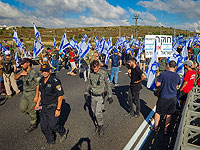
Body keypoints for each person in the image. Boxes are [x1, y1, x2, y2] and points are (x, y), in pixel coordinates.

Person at [35, 64, 68, 149]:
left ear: (50, 71)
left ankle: (63, 131)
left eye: (46, 71)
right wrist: (37, 104)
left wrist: (58, 109)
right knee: (44, 126)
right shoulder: (41, 80)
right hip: (44, 106)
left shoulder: (55, 81)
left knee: (53, 125)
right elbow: (40, 93)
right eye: (43, 71)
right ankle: (50, 140)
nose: (44, 72)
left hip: (53, 106)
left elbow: (60, 96)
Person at [150, 60, 180, 135]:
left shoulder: (163, 74)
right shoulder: (177, 76)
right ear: (175, 67)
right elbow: (177, 87)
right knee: (169, 114)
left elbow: (157, 84)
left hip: (163, 96)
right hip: (173, 97)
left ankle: (156, 128)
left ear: (168, 66)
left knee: (158, 112)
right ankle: (165, 130)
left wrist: (157, 77)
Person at [84, 60, 113, 137]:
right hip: (93, 96)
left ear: (99, 67)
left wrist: (110, 96)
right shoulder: (91, 74)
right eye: (93, 69)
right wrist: (86, 92)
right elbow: (89, 84)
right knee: (93, 112)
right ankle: (97, 125)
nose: (95, 70)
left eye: (96, 69)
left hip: (100, 96)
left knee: (98, 113)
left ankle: (101, 126)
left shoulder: (103, 74)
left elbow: (108, 85)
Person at [14, 58, 41, 133]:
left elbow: (38, 85)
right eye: (21, 64)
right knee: (22, 108)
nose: (21, 65)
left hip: (32, 93)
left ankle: (33, 123)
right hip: (25, 93)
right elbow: (15, 77)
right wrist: (20, 74)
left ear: (28, 63)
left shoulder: (34, 72)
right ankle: (35, 114)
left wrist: (36, 96)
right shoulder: (23, 71)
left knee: (31, 109)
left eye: (23, 64)